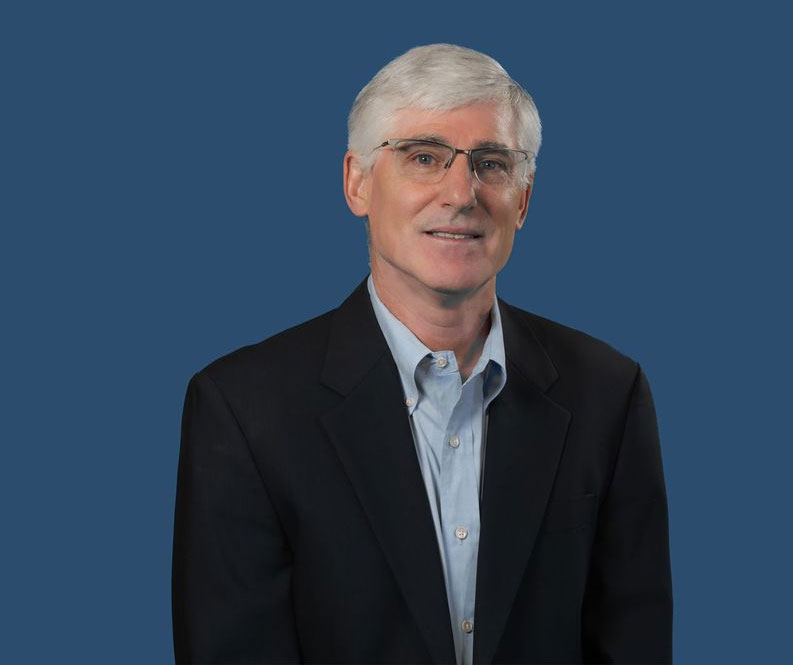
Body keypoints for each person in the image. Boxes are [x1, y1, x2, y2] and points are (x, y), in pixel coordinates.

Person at [172, 44, 672, 664]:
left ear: (524, 197)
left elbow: (633, 645)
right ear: (357, 181)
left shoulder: (608, 394)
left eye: (491, 163)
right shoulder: (244, 409)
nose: (461, 192)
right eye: (425, 157)